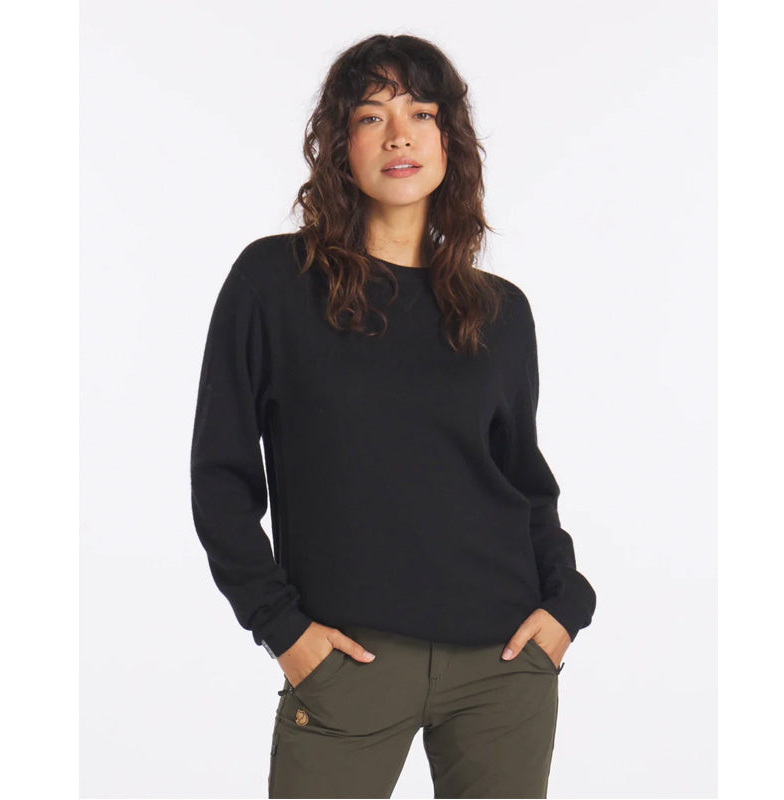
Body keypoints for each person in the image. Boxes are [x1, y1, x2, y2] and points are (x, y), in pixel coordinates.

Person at [190, 33, 596, 799]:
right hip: (346, 663)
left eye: (421, 114)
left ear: (450, 141)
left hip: (504, 664)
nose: (399, 135)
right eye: (372, 116)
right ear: (341, 145)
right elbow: (220, 477)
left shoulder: (500, 312)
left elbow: (525, 484)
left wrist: (565, 608)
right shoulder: (273, 282)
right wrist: (283, 629)